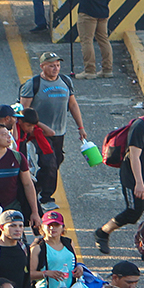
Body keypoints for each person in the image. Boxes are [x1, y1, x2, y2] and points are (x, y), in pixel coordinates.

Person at [94, 93, 144, 255]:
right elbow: (134, 156)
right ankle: (103, 232)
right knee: (133, 213)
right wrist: (139, 182)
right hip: (134, 177)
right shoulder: (141, 125)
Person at [18, 52, 85, 210]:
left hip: (59, 131)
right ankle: (46, 198)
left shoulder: (66, 81)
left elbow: (73, 105)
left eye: (57, 65)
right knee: (49, 162)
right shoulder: (33, 84)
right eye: (51, 65)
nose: (55, 68)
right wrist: (36, 126)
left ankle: (35, 186)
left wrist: (80, 127)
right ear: (42, 67)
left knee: (57, 160)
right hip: (39, 132)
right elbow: (24, 110)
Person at [0, 124, 42, 232]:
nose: (9, 137)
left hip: (14, 208)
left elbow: (28, 184)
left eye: (9, 133)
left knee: (16, 240)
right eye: (4, 134)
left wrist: (35, 212)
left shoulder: (18, 157)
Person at [62, 0, 116, 77]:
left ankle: (89, 70)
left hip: (88, 13)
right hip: (103, 12)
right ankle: (107, 70)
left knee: (87, 40)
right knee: (104, 40)